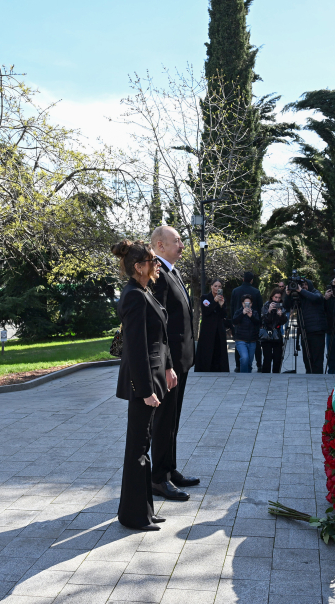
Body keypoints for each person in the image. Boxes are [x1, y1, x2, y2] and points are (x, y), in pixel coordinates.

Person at [111, 240, 178, 531]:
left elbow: (160, 336)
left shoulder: (144, 291)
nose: (157, 264)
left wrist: (169, 366)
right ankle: (133, 516)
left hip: (154, 378)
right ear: (139, 267)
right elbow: (136, 349)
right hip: (143, 383)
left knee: (143, 445)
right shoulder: (134, 297)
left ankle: (144, 512)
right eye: (152, 260)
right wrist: (145, 390)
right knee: (137, 448)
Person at [149, 225, 199, 500]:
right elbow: (160, 325)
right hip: (169, 364)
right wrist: (167, 365)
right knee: (164, 420)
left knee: (173, 419)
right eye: (177, 240)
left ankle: (169, 469)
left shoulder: (173, 271)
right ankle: (158, 479)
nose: (181, 245)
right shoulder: (157, 274)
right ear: (160, 245)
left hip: (181, 360)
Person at [284, 279, 326, 374]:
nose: (303, 286)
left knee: (317, 357)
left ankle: (318, 376)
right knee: (307, 357)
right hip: (304, 331)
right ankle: (309, 375)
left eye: (306, 284)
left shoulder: (315, 293)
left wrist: (301, 291)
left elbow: (316, 298)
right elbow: (287, 306)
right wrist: (288, 294)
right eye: (301, 285)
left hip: (317, 331)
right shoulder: (299, 296)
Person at [195, 279, 230, 372]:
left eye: (219, 286)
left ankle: (219, 369)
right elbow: (206, 312)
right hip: (207, 329)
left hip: (219, 328)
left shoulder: (222, 299)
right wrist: (214, 302)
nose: (217, 288)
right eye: (215, 286)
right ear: (211, 287)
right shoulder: (205, 298)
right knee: (207, 349)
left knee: (219, 349)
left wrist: (221, 305)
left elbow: (224, 315)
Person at [231, 271, 263, 372]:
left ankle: (238, 365)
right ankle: (259, 364)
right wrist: (259, 321)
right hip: (250, 321)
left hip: (240, 321)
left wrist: (233, 320)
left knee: (240, 345)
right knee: (255, 344)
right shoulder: (256, 292)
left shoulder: (235, 291)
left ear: (243, 279)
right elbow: (260, 307)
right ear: (252, 280)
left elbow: (232, 307)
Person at [260, 288, 288, 373]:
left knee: (277, 358)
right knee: (267, 358)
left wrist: (281, 315)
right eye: (276, 297)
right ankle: (266, 375)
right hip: (266, 334)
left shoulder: (281, 306)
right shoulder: (266, 305)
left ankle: (276, 374)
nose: (277, 299)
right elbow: (264, 320)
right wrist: (269, 311)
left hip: (277, 334)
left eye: (279, 297)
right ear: (272, 297)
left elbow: (284, 322)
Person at [233, 294, 261, 372]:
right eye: (245, 303)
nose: (247, 305)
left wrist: (251, 316)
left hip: (252, 340)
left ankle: (248, 375)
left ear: (251, 304)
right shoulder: (238, 312)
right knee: (244, 358)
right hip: (240, 339)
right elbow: (234, 321)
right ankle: (243, 376)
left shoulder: (254, 312)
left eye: (249, 303)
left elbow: (258, 323)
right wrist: (242, 313)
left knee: (249, 361)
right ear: (242, 303)